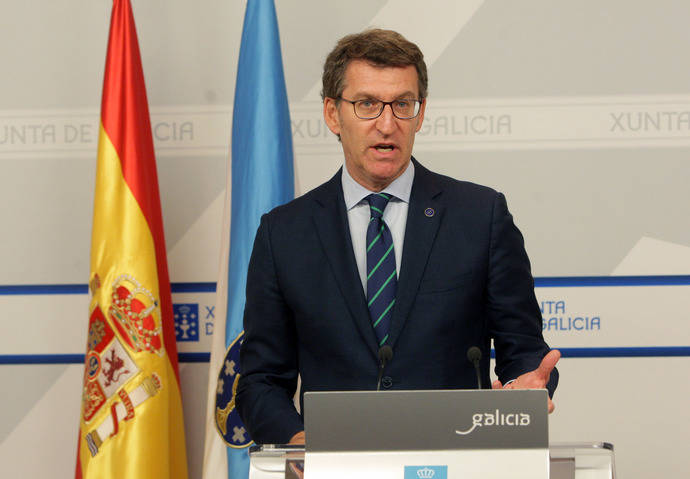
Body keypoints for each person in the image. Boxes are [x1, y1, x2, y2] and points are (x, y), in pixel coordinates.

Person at [236, 28, 559, 447]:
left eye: (402, 105)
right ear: (333, 113)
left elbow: (525, 353)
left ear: (420, 114)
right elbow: (260, 381)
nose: (387, 124)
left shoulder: (480, 217)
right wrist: (301, 444)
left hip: (456, 460)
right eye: (367, 104)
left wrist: (527, 393)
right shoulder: (284, 233)